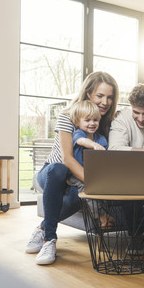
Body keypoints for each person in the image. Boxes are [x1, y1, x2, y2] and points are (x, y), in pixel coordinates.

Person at [26, 71, 119, 265]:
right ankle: (49, 239)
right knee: (58, 169)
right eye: (100, 96)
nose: (105, 102)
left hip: (77, 181)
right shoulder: (68, 116)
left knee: (79, 196)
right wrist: (96, 184)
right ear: (88, 94)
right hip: (53, 173)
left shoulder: (105, 123)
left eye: (110, 97)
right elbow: (67, 159)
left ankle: (42, 229)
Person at [65, 99, 113, 229]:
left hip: (96, 175)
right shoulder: (78, 134)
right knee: (86, 190)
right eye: (87, 120)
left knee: (103, 191)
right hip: (77, 175)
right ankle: (101, 216)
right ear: (77, 122)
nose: (92, 123)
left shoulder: (101, 138)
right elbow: (80, 141)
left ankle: (105, 213)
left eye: (95, 120)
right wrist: (93, 145)